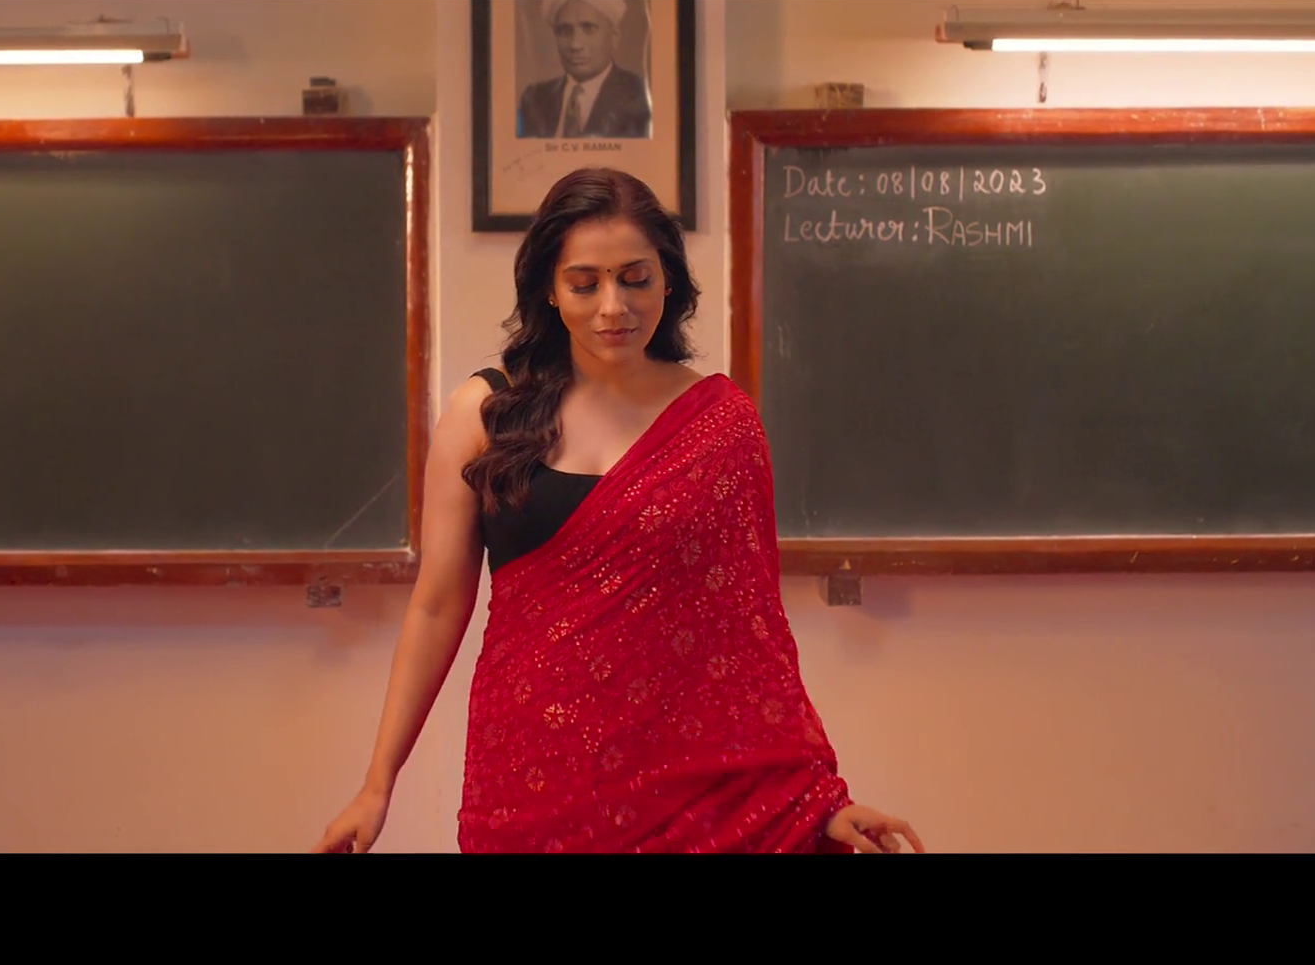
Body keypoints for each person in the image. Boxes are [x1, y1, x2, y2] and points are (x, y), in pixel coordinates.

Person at [313, 167, 921, 854]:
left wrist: (813, 800)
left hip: (687, 792)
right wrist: (377, 785)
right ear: (549, 288)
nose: (614, 307)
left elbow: (750, 639)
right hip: (529, 778)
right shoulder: (485, 413)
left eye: (635, 279)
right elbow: (436, 606)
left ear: (669, 282)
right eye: (585, 283)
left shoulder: (721, 424)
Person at [515, 0, 653, 140]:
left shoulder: (641, 97)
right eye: (564, 30)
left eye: (589, 29)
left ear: (614, 37)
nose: (575, 44)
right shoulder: (535, 99)